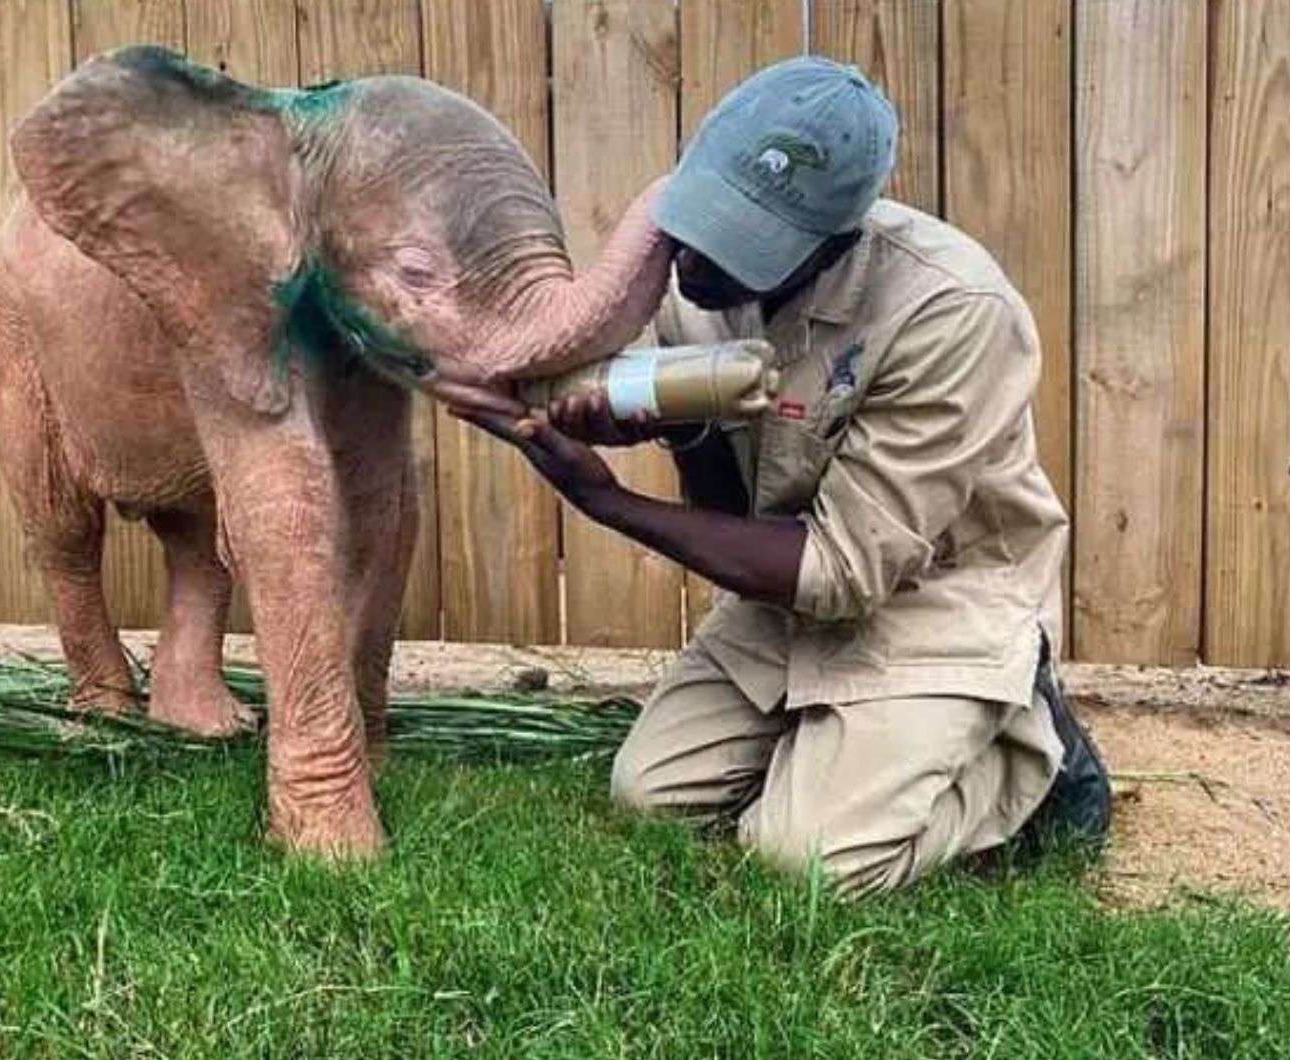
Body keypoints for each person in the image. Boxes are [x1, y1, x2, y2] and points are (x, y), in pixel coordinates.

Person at [453, 56, 1110, 896]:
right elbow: (731, 506)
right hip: (782, 600)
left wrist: (606, 502)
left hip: (930, 604)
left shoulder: (953, 314)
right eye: (700, 218)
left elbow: (841, 571)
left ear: (836, 241)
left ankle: (1026, 757)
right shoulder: (693, 287)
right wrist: (676, 431)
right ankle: (850, 752)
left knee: (807, 866)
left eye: (741, 246)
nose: (695, 264)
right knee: (648, 796)